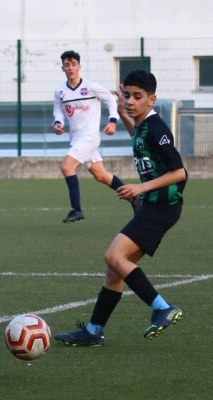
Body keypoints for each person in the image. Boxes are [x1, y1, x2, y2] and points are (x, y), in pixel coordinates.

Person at [54, 69, 187, 346]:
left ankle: (162, 307)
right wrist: (125, 116)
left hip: (160, 207)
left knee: (114, 257)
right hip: (154, 206)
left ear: (152, 100)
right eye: (126, 95)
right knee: (116, 271)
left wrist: (140, 188)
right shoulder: (143, 126)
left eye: (137, 97)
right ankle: (93, 331)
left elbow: (179, 173)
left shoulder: (158, 130)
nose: (130, 101)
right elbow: (138, 137)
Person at [53, 50, 136, 223]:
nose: (70, 68)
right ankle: (135, 199)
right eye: (67, 65)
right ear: (63, 68)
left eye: (73, 64)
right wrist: (57, 123)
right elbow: (59, 111)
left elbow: (111, 101)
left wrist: (113, 121)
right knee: (101, 175)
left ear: (79, 66)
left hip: (90, 137)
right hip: (76, 139)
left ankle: (76, 210)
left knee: (67, 167)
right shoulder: (60, 91)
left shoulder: (91, 87)